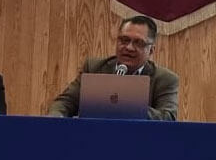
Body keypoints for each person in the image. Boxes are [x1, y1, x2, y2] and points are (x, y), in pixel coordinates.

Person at [48, 15, 179, 120]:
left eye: (138, 43)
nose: (129, 47)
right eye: (124, 40)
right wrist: (56, 117)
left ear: (151, 50)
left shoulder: (165, 79)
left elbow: (168, 116)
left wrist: (128, 107)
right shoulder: (94, 68)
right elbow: (66, 102)